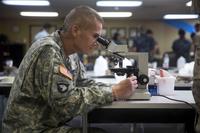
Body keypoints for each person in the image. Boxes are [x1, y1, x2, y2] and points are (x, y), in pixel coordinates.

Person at [2, 6, 138, 133]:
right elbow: (66, 104)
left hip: (48, 124)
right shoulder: (48, 50)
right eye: (95, 36)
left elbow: (83, 82)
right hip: (29, 129)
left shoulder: (71, 54)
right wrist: (113, 92)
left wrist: (117, 88)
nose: (97, 43)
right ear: (75, 30)